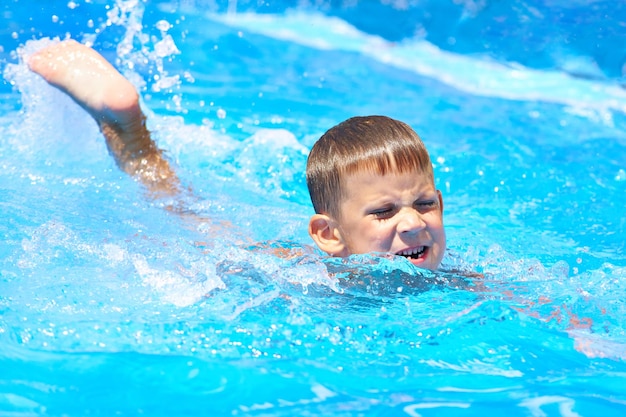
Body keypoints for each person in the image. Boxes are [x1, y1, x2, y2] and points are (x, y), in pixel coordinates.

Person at [28, 39, 446, 271]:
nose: (413, 223)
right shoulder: (307, 280)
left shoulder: (456, 279)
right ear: (329, 234)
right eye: (384, 212)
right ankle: (125, 126)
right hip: (239, 252)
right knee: (175, 204)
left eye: (424, 203)